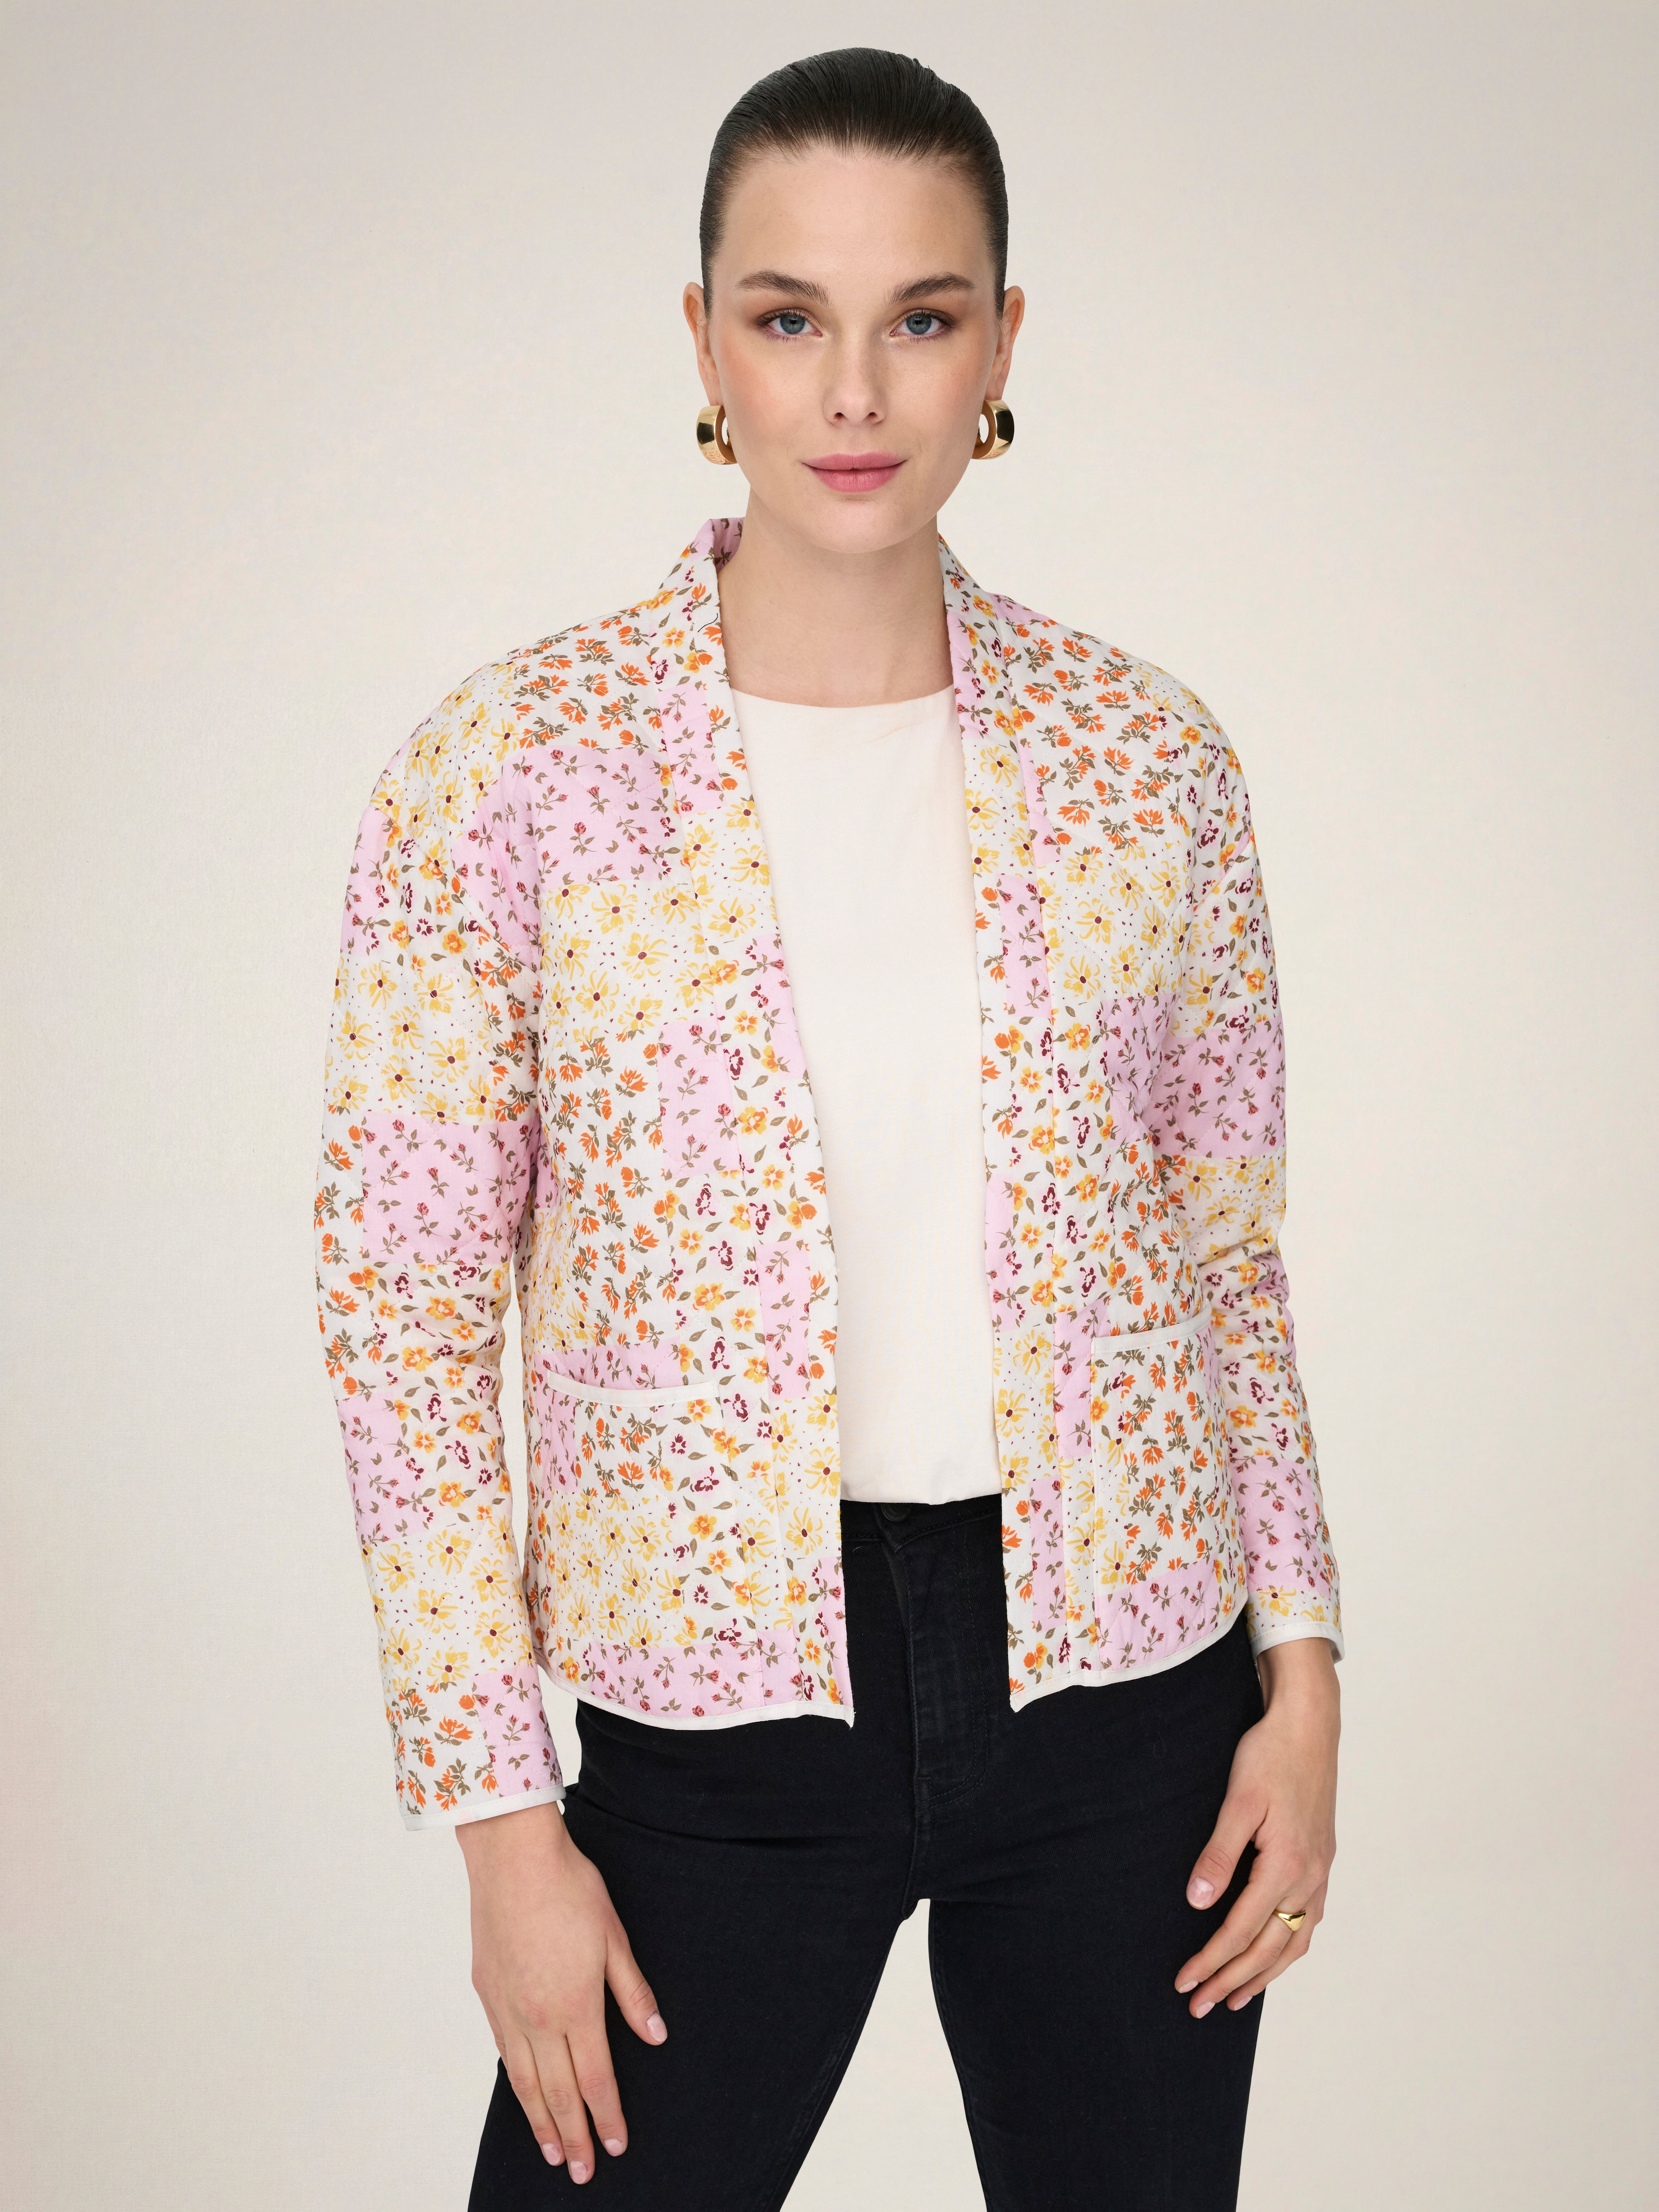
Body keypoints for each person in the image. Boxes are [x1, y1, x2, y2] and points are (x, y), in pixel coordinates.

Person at [313, 46, 1343, 2211]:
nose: (854, 390)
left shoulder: (1150, 761)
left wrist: (1304, 1672)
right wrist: (501, 1826)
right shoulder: (506, 771)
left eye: (921, 316)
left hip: (1128, 1690)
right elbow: (402, 1318)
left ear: (1002, 344)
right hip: (711, 1708)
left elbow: (1223, 1249)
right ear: (703, 342)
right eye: (788, 318)